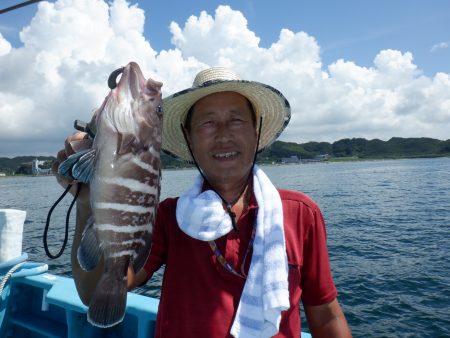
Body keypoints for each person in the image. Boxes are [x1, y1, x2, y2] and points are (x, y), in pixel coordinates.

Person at [54, 67, 352, 337]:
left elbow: (325, 314)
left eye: (236, 120)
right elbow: (96, 293)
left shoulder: (301, 213)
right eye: (207, 123)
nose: (223, 135)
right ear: (189, 137)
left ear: (255, 130)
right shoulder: (169, 218)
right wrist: (87, 202)